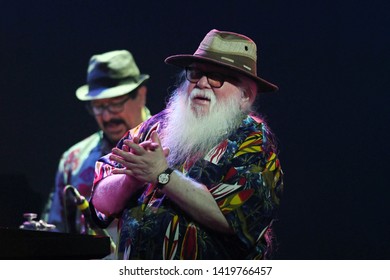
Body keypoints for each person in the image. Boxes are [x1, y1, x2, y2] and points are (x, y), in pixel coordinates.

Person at [90, 29, 284, 260]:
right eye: (196, 73)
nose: (202, 83)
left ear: (245, 96)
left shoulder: (254, 142)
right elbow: (101, 201)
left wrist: (162, 175)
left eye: (216, 77)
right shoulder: (154, 127)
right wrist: (132, 178)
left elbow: (232, 218)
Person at [42, 50, 151, 254]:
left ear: (141, 95)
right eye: (98, 107)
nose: (107, 116)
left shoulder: (171, 146)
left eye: (116, 103)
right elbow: (56, 231)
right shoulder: (73, 160)